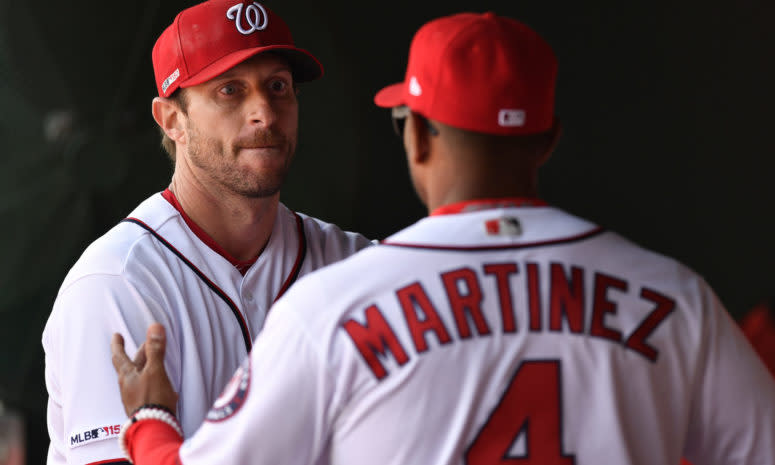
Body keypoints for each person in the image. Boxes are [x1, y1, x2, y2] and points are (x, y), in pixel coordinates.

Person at [110, 10, 775, 465]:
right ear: (546, 140)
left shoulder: (329, 306)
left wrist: (150, 418)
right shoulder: (674, 298)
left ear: (418, 134)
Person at [41, 1, 372, 464]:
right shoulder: (118, 283)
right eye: (230, 90)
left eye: (278, 86)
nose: (264, 112)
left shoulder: (352, 265)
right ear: (171, 119)